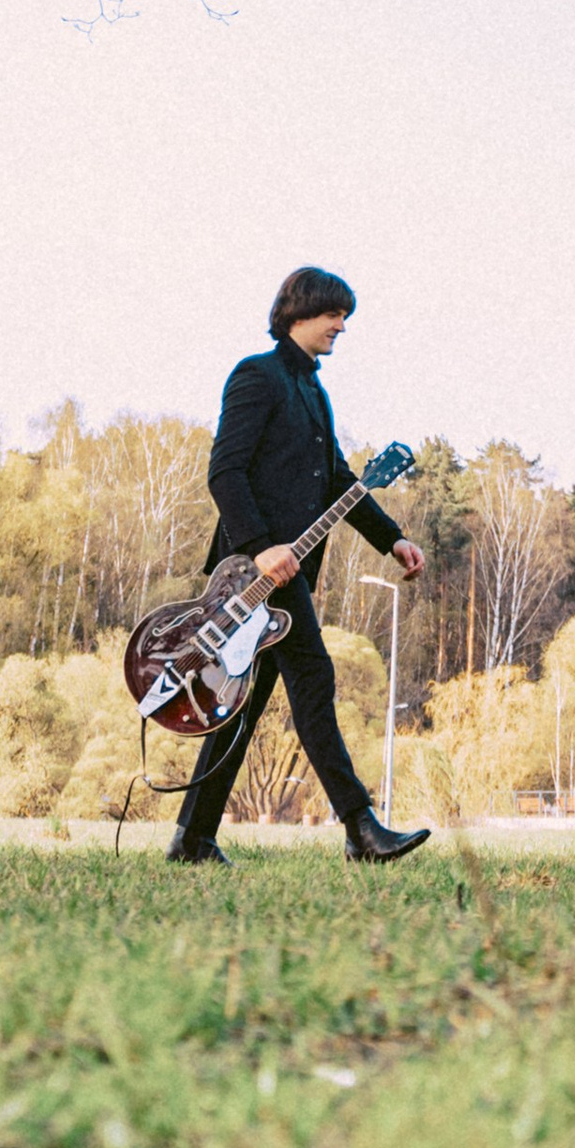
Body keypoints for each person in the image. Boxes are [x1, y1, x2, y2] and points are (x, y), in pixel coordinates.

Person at [165, 264, 431, 867]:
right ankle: (362, 830)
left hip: (291, 577)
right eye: (335, 314)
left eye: (345, 317)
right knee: (314, 684)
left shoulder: (314, 391)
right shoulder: (256, 377)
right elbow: (225, 472)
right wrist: (261, 545)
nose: (342, 326)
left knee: (243, 704)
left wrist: (392, 540)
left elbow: (339, 481)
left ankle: (192, 839)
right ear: (299, 313)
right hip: (252, 575)